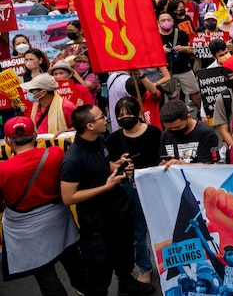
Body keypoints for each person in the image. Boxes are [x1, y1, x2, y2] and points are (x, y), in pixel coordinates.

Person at [60, 104, 153, 296]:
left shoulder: (100, 140)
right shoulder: (73, 159)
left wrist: (117, 166)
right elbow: (68, 197)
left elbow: (104, 164)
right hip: (96, 221)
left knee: (124, 254)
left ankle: (127, 283)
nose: (106, 119)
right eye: (101, 117)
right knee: (100, 266)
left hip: (118, 210)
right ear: (90, 126)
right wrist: (105, 187)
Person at [0, 116, 83, 295]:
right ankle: (87, 289)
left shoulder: (3, 170)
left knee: (45, 275)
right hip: (58, 220)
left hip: (24, 230)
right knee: (72, 259)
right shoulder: (55, 154)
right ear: (35, 135)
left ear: (7, 140)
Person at [106, 97, 162, 285]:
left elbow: (162, 161)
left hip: (154, 188)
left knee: (161, 228)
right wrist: (120, 165)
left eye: (129, 114)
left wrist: (143, 172)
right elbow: (110, 165)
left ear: (138, 113)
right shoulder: (113, 139)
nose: (125, 118)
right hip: (130, 191)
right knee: (137, 233)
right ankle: (144, 267)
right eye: (120, 116)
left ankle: (169, 265)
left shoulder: (154, 133)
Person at [159, 100, 220, 165]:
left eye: (178, 127)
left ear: (188, 117)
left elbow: (207, 165)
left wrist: (182, 164)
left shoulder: (206, 133)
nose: (174, 131)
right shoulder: (166, 135)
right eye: (169, 129)